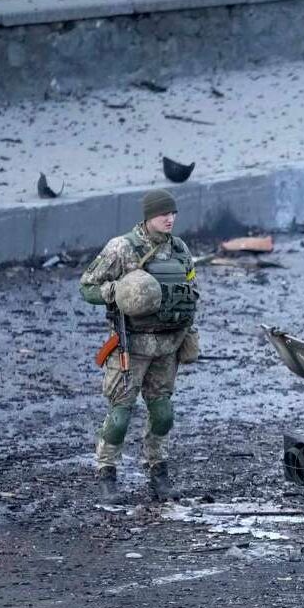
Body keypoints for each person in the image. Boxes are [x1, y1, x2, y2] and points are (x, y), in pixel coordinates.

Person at [79, 189, 199, 502]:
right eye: (163, 214)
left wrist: (188, 331)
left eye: (173, 214)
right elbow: (87, 286)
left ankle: (158, 470)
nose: (170, 219)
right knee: (120, 415)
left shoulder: (180, 249)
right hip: (131, 347)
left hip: (168, 345)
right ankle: (107, 472)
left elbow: (189, 289)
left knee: (163, 414)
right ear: (148, 216)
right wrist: (117, 292)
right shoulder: (121, 248)